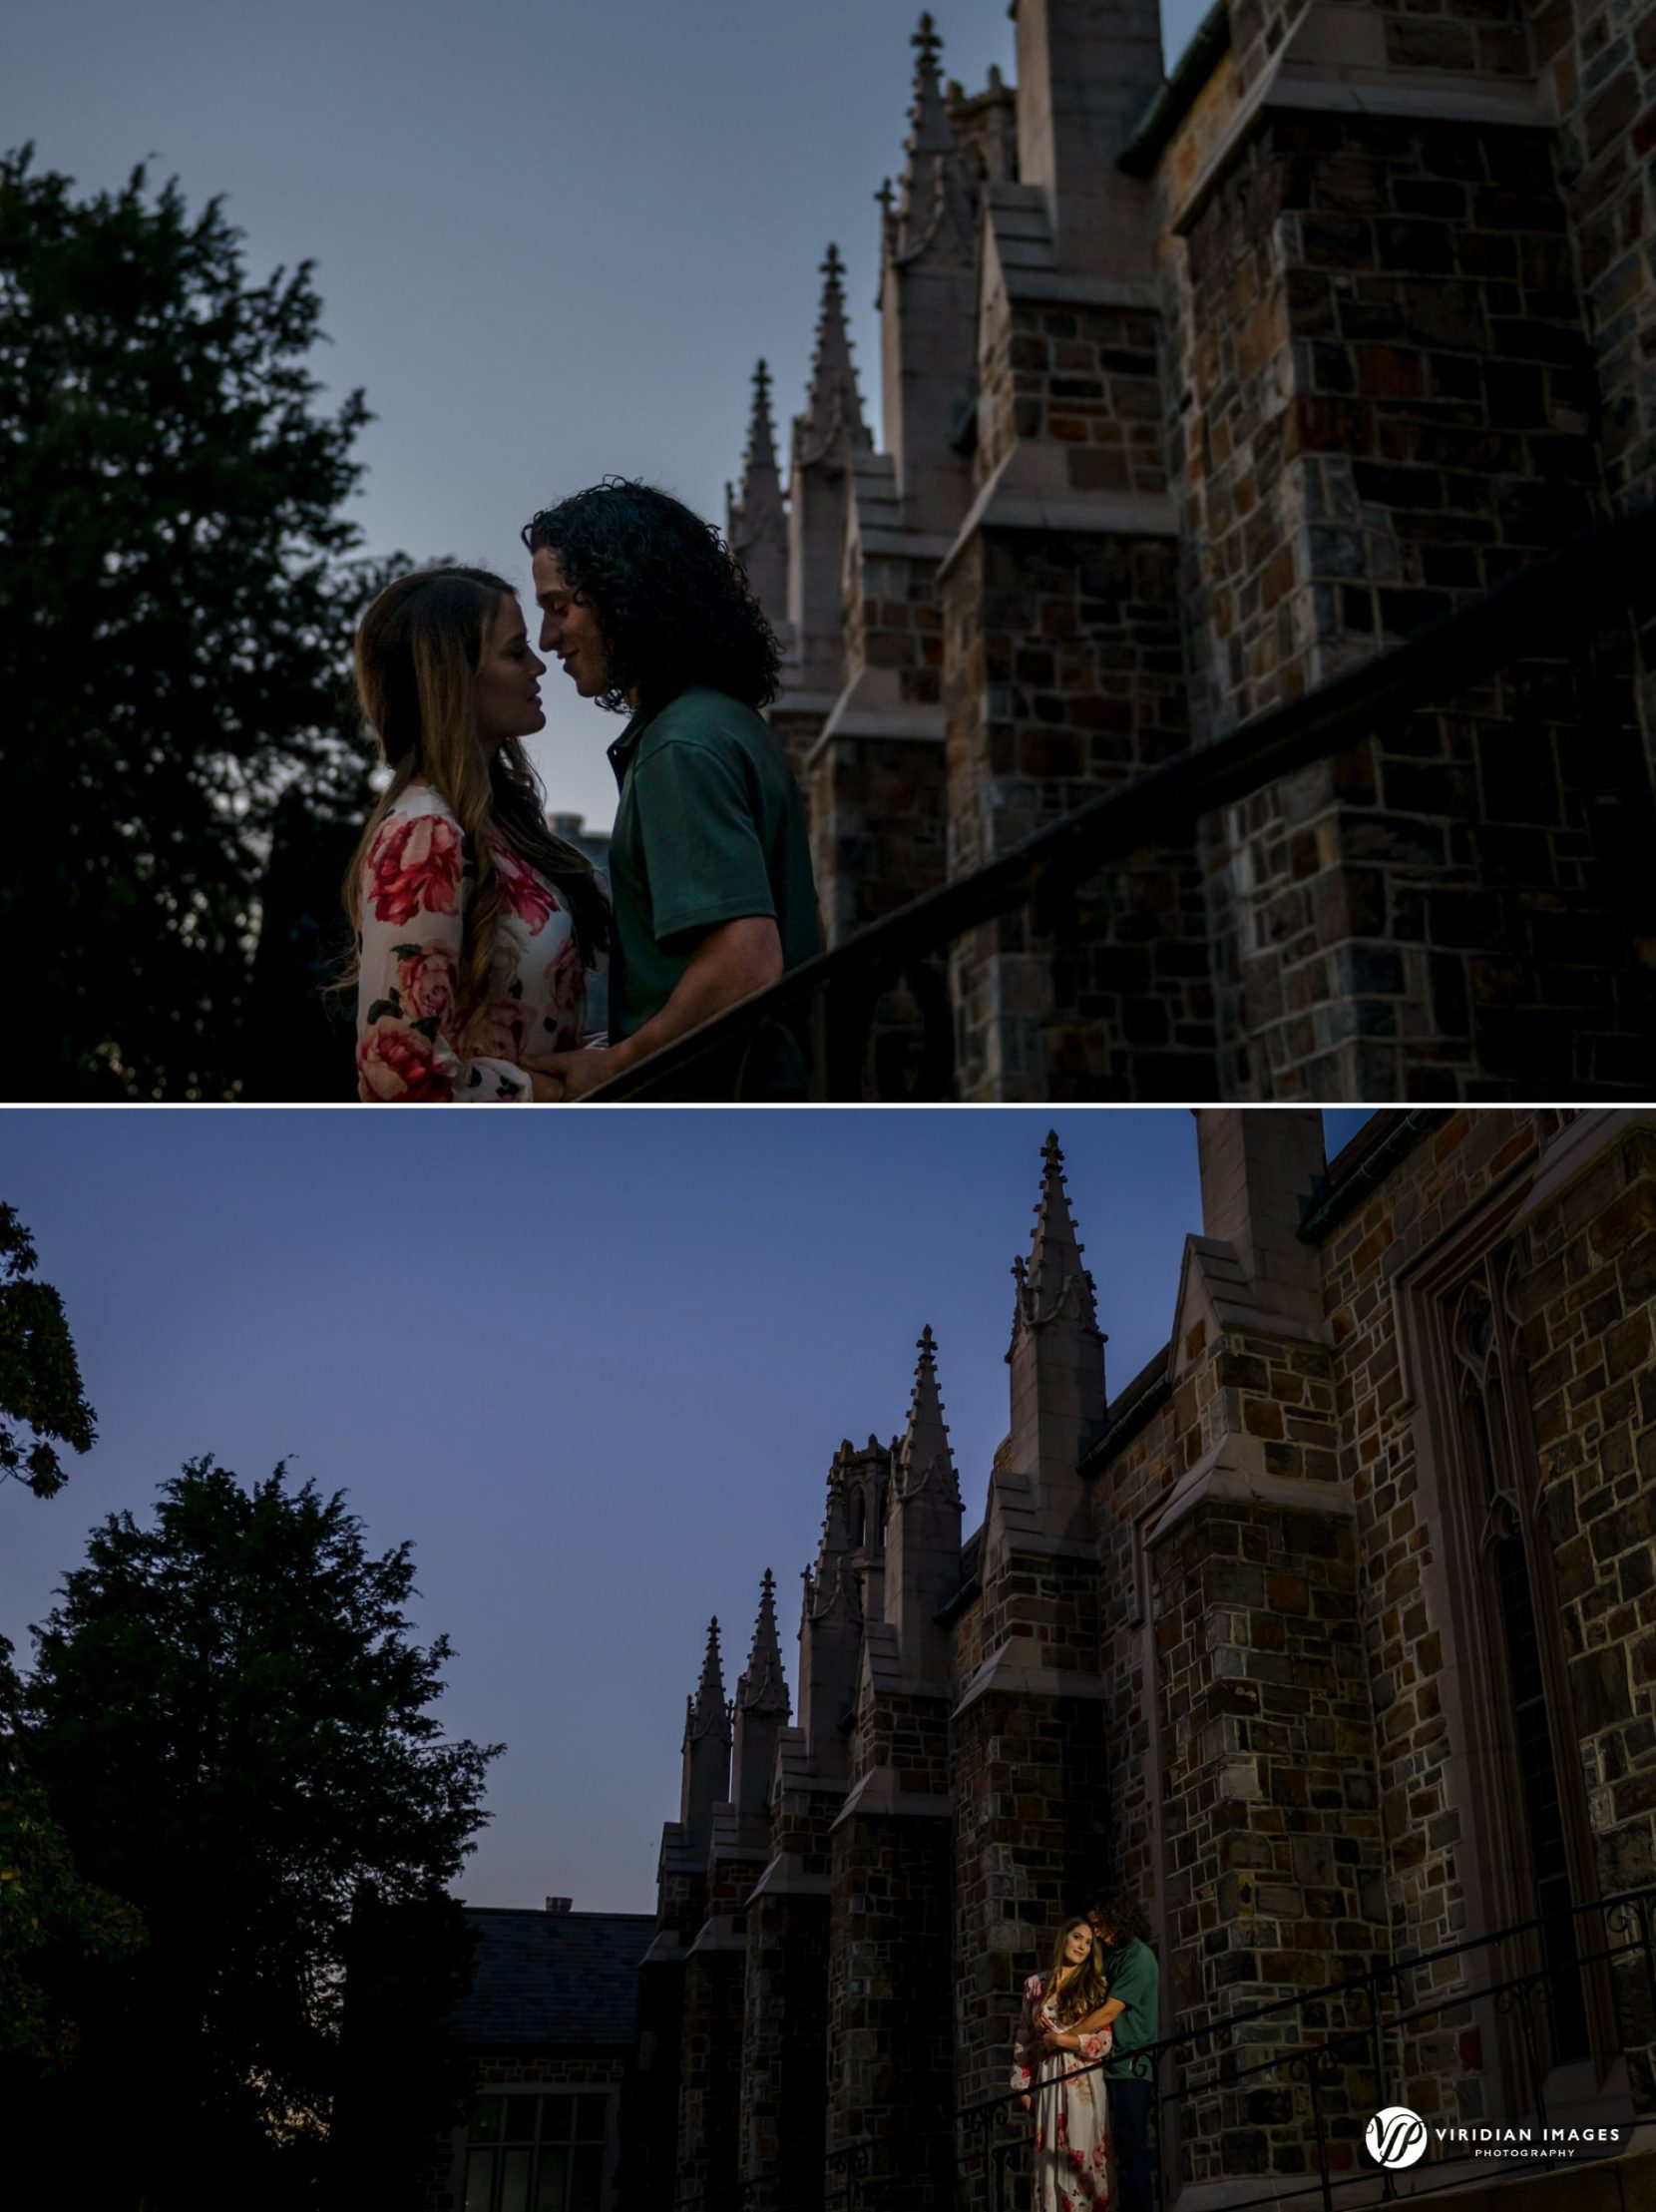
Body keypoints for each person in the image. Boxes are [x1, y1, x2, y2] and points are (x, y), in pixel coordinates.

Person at [520, 480, 820, 1102]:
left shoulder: (678, 747)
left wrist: (622, 1063)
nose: (547, 641)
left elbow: (744, 963)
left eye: (558, 606)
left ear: (622, 596)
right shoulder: (723, 721)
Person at [345, 566, 609, 1103]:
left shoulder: (497, 829)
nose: (539, 665)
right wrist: (552, 1093)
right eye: (515, 653)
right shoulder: (425, 833)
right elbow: (395, 1076)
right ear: (454, 678)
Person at [1012, 1916, 1114, 2209]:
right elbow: (1023, 2039)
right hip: (1047, 2082)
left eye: (1088, 1943)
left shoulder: (1094, 1986)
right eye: (1077, 1937)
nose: (1082, 1946)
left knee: (1080, 2158)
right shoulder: (1035, 1986)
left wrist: (1063, 2041)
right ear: (1064, 1938)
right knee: (1050, 2164)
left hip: (1083, 2080)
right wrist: (1022, 2088)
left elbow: (1103, 2042)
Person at [1085, 1888, 1159, 2212]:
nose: (1096, 1932)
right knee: (1111, 2149)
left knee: (1132, 2144)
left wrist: (1067, 2036)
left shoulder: (1138, 1957)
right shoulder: (1109, 1954)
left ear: (1117, 1919)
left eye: (1099, 1924)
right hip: (1108, 2063)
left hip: (1132, 2065)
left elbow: (1110, 2011)